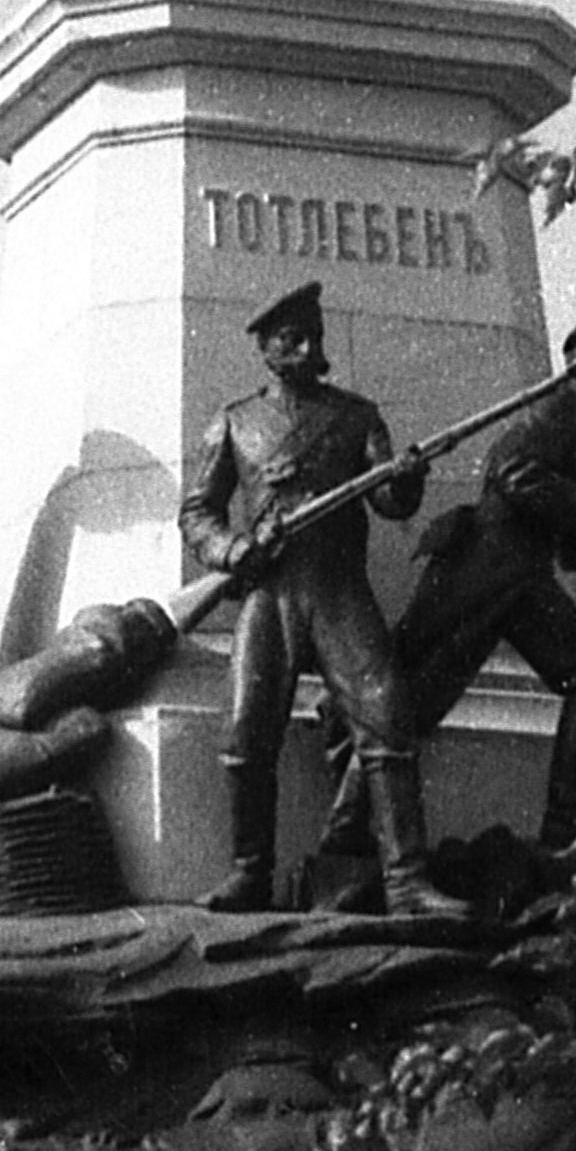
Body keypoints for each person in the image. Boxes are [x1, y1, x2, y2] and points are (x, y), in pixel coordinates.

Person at [321, 309, 576, 859]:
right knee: (426, 695)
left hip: (514, 573)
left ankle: (352, 821)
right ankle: (562, 822)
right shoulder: (561, 409)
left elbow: (565, 542)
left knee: (429, 694)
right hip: (493, 568)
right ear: (574, 359)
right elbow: (513, 472)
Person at [178, 280, 453, 918]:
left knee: (386, 717)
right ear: (266, 351)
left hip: (339, 589)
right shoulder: (234, 422)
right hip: (270, 591)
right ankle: (250, 873)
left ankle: (407, 880)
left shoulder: (357, 416)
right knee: (246, 731)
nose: (306, 349)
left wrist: (406, 480)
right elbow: (198, 513)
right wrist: (231, 550)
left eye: (314, 337)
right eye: (291, 339)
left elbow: (389, 502)